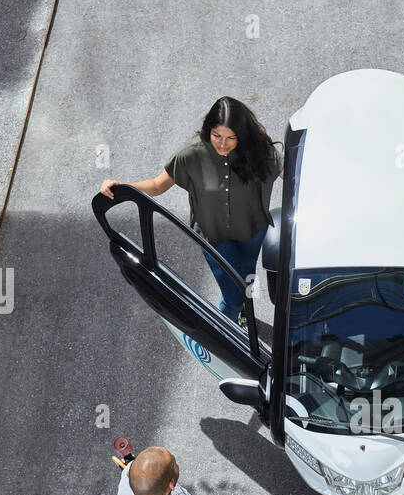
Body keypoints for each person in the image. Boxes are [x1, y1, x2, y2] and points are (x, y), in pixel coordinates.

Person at [101, 97, 281, 326]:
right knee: (233, 297)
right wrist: (121, 187)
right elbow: (158, 186)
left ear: (242, 136)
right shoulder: (191, 154)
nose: (223, 144)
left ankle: (243, 311)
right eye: (217, 136)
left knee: (247, 277)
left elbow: (293, 174)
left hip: (252, 232)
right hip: (214, 237)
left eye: (231, 138)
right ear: (208, 130)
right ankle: (226, 334)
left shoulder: (259, 151)